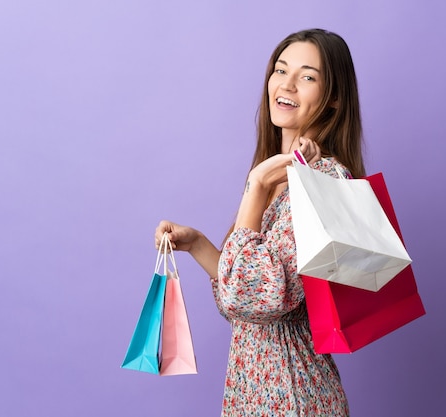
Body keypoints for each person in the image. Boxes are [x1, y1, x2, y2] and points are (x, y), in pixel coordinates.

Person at [154, 28, 365, 416]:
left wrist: (254, 187)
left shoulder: (324, 181)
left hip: (291, 395)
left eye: (307, 76)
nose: (286, 84)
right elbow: (241, 295)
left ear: (333, 99)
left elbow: (253, 298)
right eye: (280, 70)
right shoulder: (276, 179)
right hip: (254, 390)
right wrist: (199, 244)